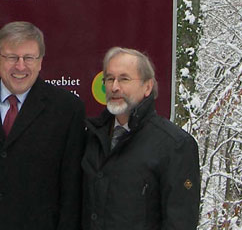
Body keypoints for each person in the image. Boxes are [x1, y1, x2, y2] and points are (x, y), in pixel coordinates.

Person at [0, 21, 84, 230]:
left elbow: (71, 190)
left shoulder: (68, 109)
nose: (20, 66)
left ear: (40, 62)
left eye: (29, 58)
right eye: (12, 57)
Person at [82, 47, 200, 230]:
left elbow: (180, 221)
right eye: (110, 79)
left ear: (147, 87)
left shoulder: (174, 145)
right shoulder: (91, 137)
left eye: (124, 79)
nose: (114, 87)